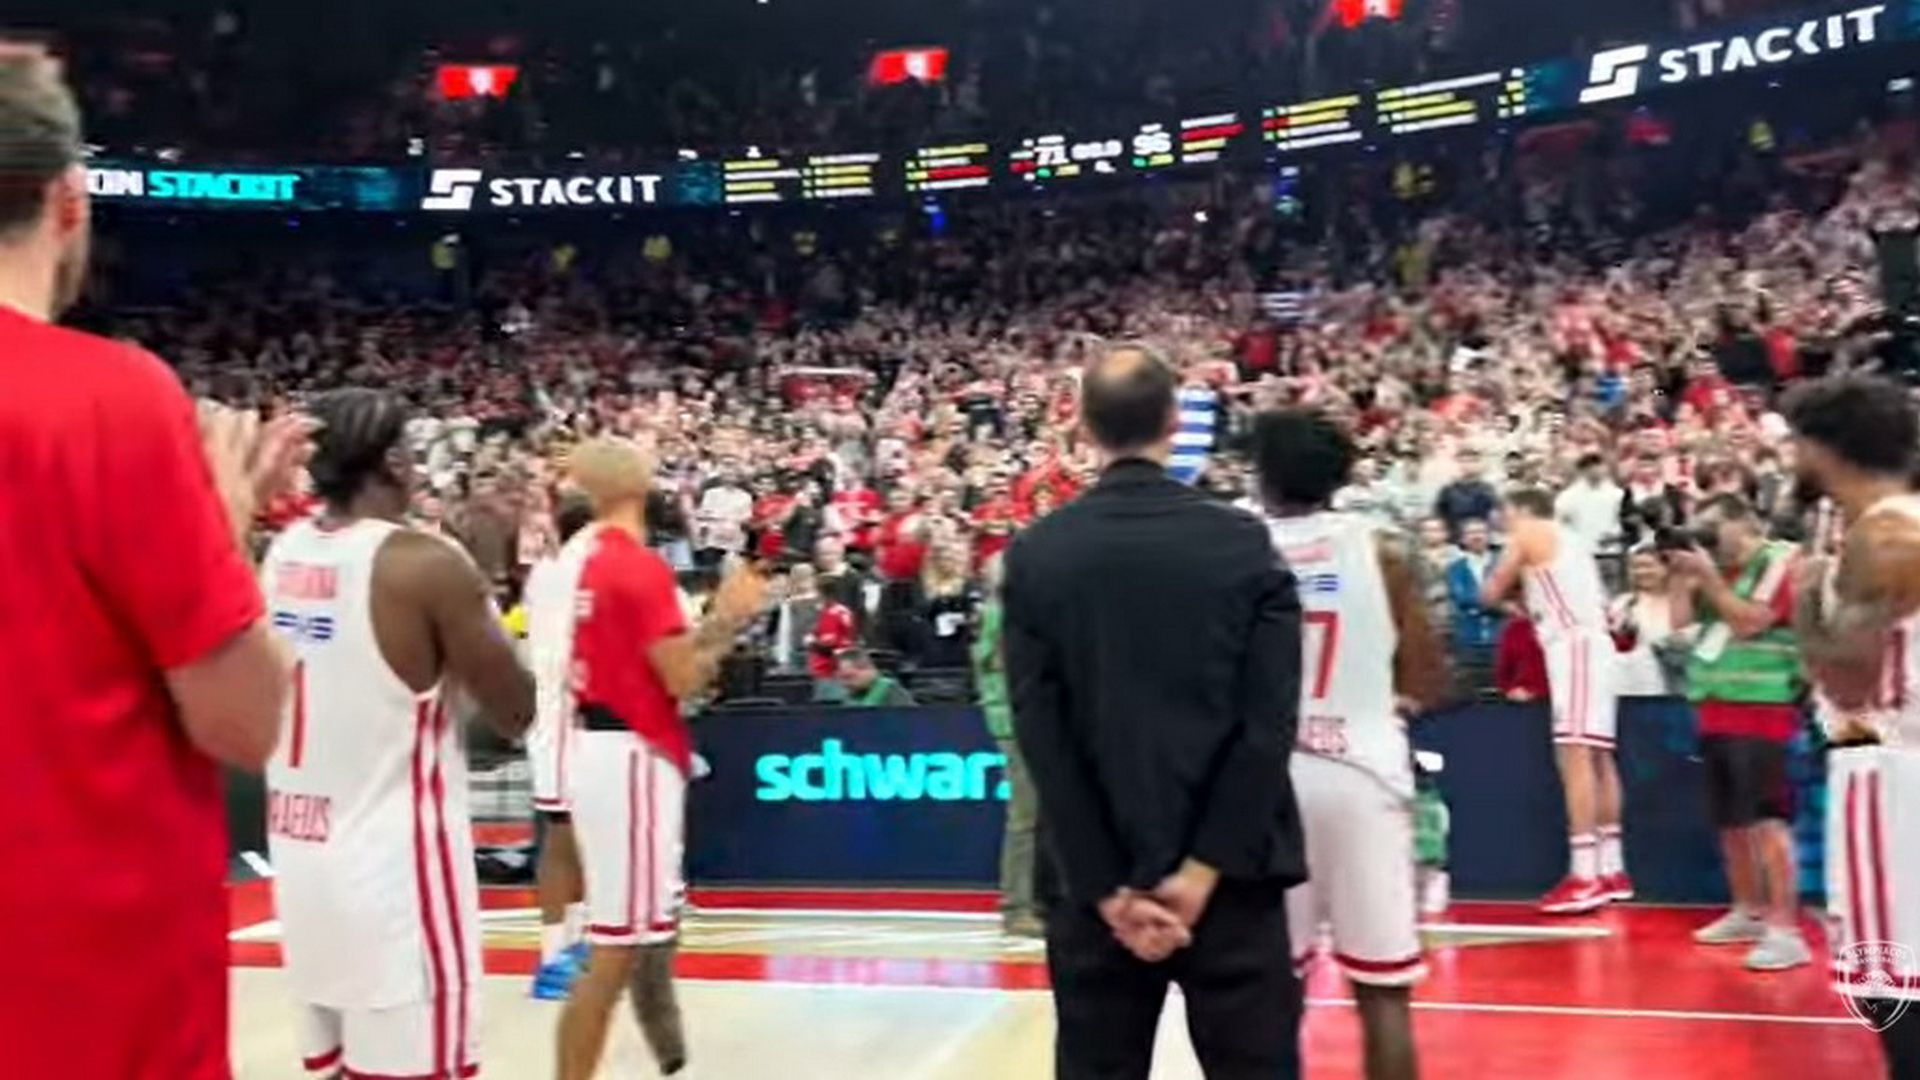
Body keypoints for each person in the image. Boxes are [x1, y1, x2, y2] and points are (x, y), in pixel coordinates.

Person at [0, 52, 306, 1080]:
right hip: (81, 1004)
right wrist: (223, 527)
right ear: (69, 201)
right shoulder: (106, 400)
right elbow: (247, 720)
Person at [1005, 345, 1306, 1080]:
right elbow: (1267, 727)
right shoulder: (1243, 544)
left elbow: (1042, 738)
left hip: (1094, 886)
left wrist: (1107, 887)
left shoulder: (1037, 556)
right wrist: (1202, 871)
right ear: (1175, 420)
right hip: (1233, 880)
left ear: (1083, 427)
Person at [261, 388, 536, 1079]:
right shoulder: (425, 564)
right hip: (395, 878)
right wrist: (490, 595)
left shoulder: (285, 551)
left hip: (302, 861)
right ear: (392, 461)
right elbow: (515, 711)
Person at [555, 437, 768, 1080]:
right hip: (632, 755)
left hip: (594, 743)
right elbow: (682, 679)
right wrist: (727, 621)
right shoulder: (637, 567)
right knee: (615, 950)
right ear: (637, 487)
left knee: (629, 939)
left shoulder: (577, 561)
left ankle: (668, 1056)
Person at [1254, 409, 1450, 1080]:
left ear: (1262, 475)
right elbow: (1427, 676)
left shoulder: (1237, 546)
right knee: (1383, 991)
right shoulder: (1385, 549)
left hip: (1269, 780)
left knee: (1269, 996)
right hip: (1364, 775)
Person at [1781, 375, 1920, 1074]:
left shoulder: (1884, 535)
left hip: (1889, 765)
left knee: (1890, 984)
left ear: (1824, 448)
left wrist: (1806, 600)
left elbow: (1849, 680)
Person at [1665, 495, 1811, 970]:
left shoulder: (1779, 560)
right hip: (1714, 708)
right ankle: (1747, 910)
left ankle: (1785, 930)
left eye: (1712, 528)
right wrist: (1680, 578)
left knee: (1767, 821)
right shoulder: (1715, 570)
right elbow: (1680, 626)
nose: (1706, 539)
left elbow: (1750, 622)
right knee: (1730, 822)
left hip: (1763, 709)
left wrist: (1707, 577)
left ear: (1742, 523)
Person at [1483, 487, 1631, 913]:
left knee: (1574, 755)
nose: (1502, 520)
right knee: (1599, 757)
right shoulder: (1572, 539)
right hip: (1595, 644)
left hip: (1573, 646)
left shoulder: (1528, 532)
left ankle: (1584, 876)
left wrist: (1512, 600)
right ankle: (1611, 868)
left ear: (1519, 509)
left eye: (1505, 511)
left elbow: (1488, 592)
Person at [524, 493, 600, 1000]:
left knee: (586, 836)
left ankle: (575, 941)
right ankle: (552, 957)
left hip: (584, 716)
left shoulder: (556, 571)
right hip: (561, 715)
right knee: (561, 832)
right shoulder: (562, 573)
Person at [974, 554, 1041, 937]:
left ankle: (1031, 901)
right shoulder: (1001, 616)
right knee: (1025, 818)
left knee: (1035, 817)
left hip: (1021, 720)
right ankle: (1017, 907)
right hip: (1016, 724)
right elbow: (1013, 671)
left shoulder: (1001, 614)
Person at [1609, 548, 1679, 698]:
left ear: (1666, 568)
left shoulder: (1681, 603)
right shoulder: (1622, 604)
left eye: (1648, 566)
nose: (1641, 572)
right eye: (1635, 567)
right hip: (1633, 687)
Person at [1446, 519, 1502, 656]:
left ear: (1489, 536)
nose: (1476, 536)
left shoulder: (1503, 564)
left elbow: (1510, 593)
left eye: (1481, 532)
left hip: (1500, 637)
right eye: (1471, 533)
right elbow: (1462, 598)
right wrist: (1497, 604)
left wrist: (1477, 605)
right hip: (1469, 638)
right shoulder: (1455, 568)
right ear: (1462, 539)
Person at [1556, 453, 1624, 552]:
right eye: (1589, 466)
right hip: (1580, 549)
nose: (1595, 469)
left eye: (1598, 465)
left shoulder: (1617, 495)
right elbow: (1562, 523)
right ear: (1582, 471)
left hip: (1611, 548)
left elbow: (1622, 521)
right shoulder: (1568, 497)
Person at [817, 647, 917, 706]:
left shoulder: (889, 689)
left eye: (848, 677)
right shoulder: (851, 696)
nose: (845, 684)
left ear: (866, 669)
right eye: (841, 679)